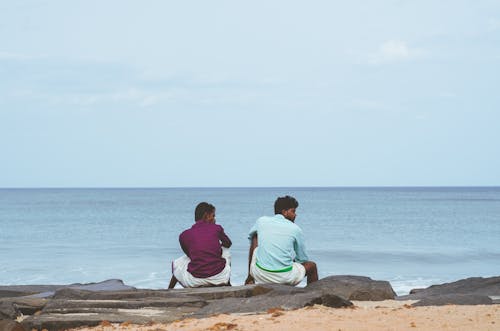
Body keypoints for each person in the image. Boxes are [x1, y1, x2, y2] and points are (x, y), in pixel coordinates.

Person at [245, 195, 318, 286]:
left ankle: (250, 278)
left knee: (255, 237)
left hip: (260, 274)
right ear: (284, 212)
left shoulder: (261, 221)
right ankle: (312, 296)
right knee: (312, 266)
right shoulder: (295, 229)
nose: (295, 215)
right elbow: (302, 259)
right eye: (293, 211)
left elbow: (251, 239)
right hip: (284, 277)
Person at [168, 202, 232, 288]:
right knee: (226, 250)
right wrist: (217, 247)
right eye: (213, 216)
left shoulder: (184, 235)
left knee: (179, 262)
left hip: (194, 280)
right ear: (207, 215)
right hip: (218, 277)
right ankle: (227, 282)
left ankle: (169, 289)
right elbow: (228, 243)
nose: (215, 219)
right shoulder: (217, 228)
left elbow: (189, 255)